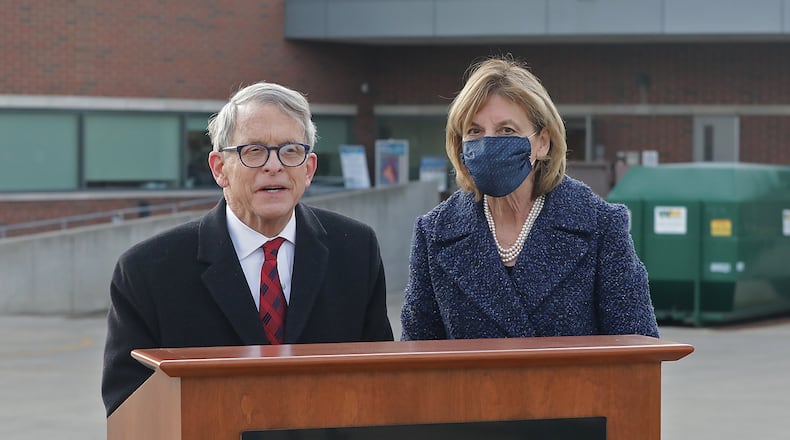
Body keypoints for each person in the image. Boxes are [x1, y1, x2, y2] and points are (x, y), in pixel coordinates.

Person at [102, 81, 393, 416]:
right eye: (254, 151)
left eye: (290, 150)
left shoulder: (356, 250)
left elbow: (380, 384)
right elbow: (128, 408)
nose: (274, 165)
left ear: (309, 168)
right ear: (219, 168)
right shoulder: (148, 271)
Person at [400, 56, 658, 340]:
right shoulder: (434, 233)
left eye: (506, 130)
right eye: (474, 131)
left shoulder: (601, 225)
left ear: (542, 143)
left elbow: (638, 348)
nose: (488, 143)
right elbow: (417, 352)